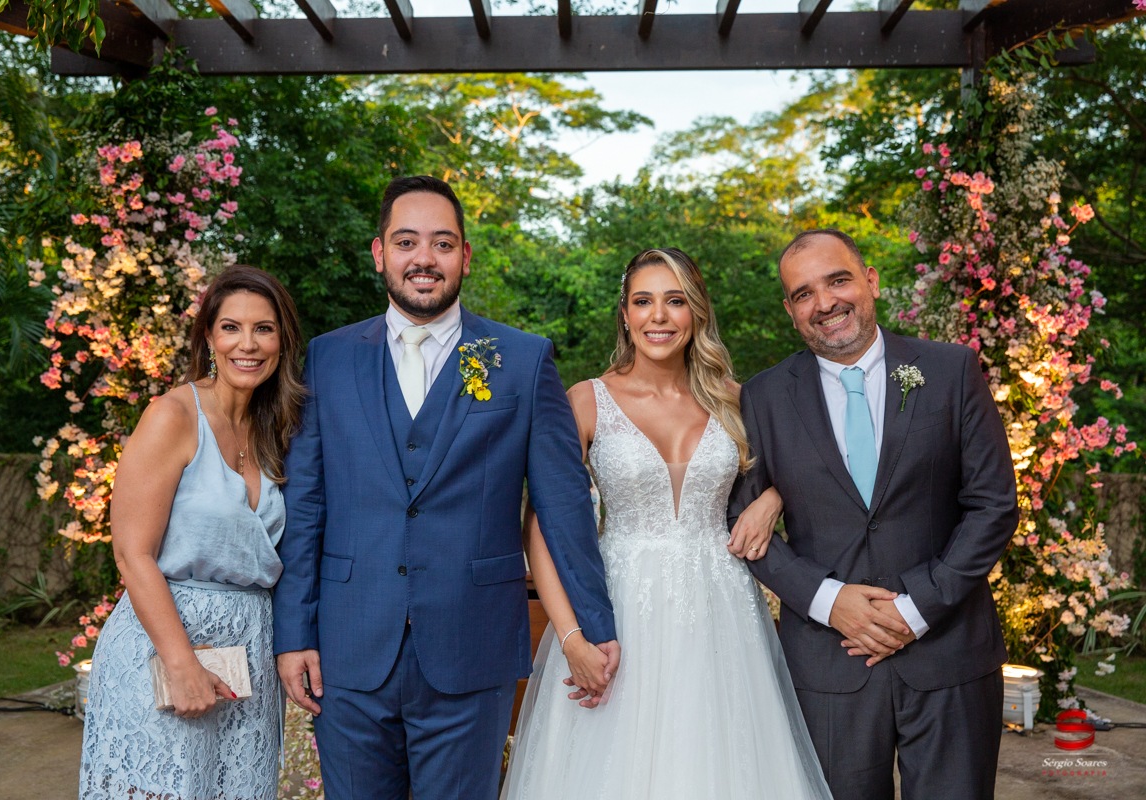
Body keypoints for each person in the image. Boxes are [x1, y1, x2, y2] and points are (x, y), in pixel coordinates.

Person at [271, 175, 618, 800]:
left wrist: (595, 622)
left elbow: (562, 504)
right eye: (406, 242)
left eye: (442, 243)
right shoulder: (328, 358)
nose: (424, 258)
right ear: (379, 253)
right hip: (349, 648)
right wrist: (293, 633)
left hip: (472, 646)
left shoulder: (522, 359)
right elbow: (306, 505)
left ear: (465, 255)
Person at [502, 248, 832, 800]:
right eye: (643, 301)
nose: (658, 316)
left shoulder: (737, 401)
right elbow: (542, 526)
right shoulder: (586, 401)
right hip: (615, 612)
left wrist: (772, 498)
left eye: (675, 300)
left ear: (696, 312)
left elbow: (815, 465)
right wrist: (573, 637)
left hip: (723, 614)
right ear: (625, 314)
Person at [727, 229, 1018, 800]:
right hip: (828, 662)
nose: (825, 302)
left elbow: (992, 503)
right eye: (804, 294)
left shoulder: (952, 370)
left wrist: (916, 608)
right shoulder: (762, 397)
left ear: (871, 281)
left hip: (950, 653)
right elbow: (741, 521)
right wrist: (827, 600)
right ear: (790, 310)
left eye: (838, 280)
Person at [79, 265, 305, 799]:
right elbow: (132, 553)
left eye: (264, 329)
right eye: (231, 327)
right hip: (165, 646)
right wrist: (181, 664)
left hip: (249, 654)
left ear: (283, 341)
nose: (247, 344)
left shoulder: (278, 429)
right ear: (208, 336)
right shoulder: (172, 417)